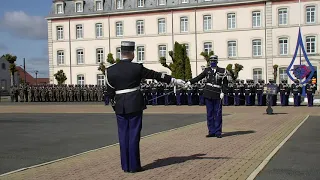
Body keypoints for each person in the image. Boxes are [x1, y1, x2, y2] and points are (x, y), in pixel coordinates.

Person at [105, 41, 185, 173]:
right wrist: (175, 81)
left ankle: (125, 166)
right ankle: (134, 166)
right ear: (131, 53)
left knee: (123, 135)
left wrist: (115, 106)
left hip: (120, 106)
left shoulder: (110, 70)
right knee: (134, 135)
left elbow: (109, 92)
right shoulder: (137, 68)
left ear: (121, 53)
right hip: (135, 103)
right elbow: (156, 75)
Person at [185, 55, 229, 138]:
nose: (212, 62)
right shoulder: (207, 70)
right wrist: (189, 82)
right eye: (211, 61)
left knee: (218, 114)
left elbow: (225, 83)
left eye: (214, 61)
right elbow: (198, 77)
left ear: (217, 61)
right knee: (209, 114)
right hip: (208, 94)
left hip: (217, 94)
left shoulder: (222, 71)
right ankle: (211, 131)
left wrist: (223, 92)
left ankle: (218, 132)